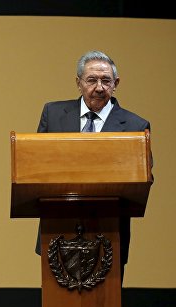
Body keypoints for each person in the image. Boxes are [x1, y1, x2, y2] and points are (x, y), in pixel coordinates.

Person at [34, 50, 151, 282]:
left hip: (109, 231)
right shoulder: (54, 113)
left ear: (115, 84)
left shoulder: (136, 126)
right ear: (78, 83)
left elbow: (143, 177)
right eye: (91, 80)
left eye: (106, 81)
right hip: (57, 227)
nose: (99, 87)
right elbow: (37, 164)